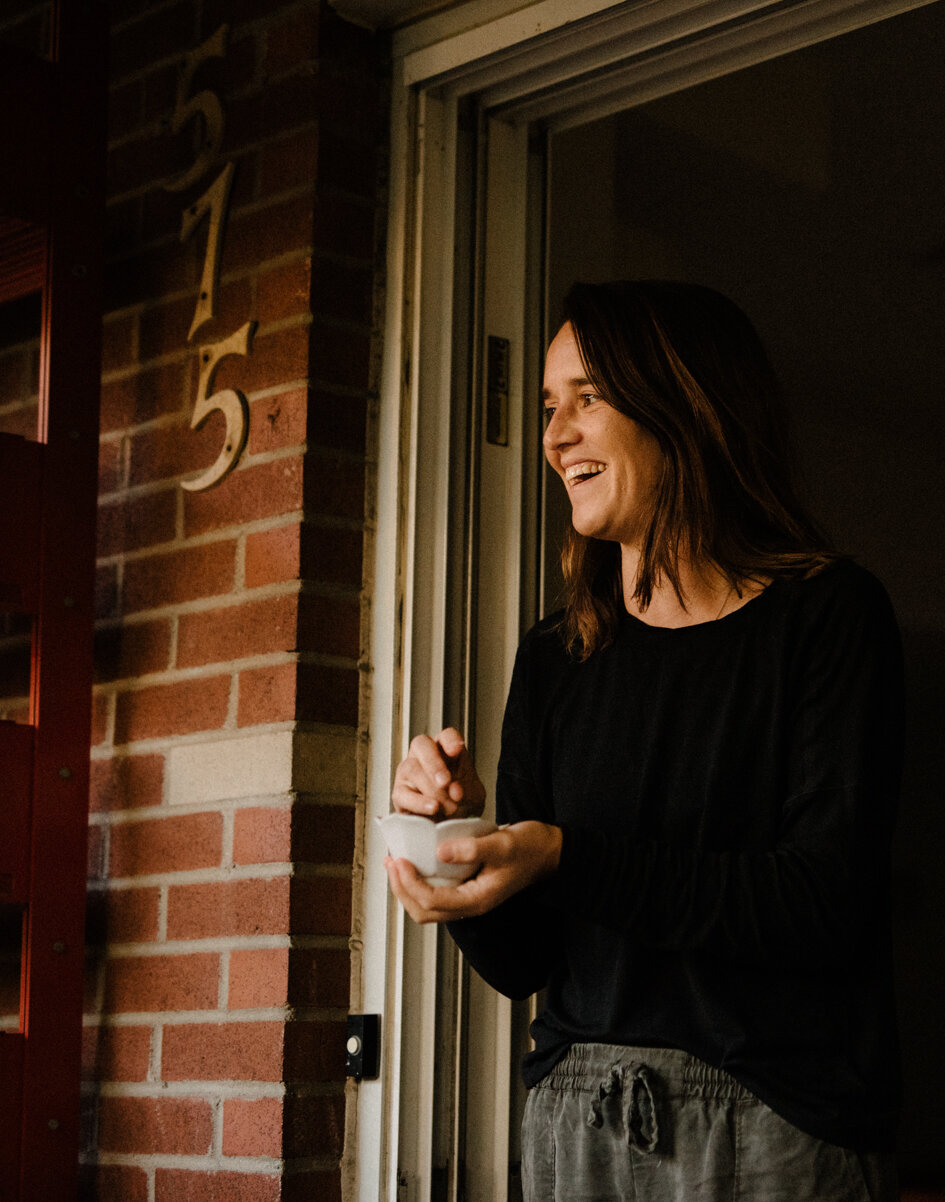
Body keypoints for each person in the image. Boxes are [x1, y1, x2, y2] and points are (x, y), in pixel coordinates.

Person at [383, 280, 904, 1202]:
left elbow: (821, 903)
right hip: (575, 1124)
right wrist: (463, 851)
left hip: (774, 1128)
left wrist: (562, 856)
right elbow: (529, 964)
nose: (554, 439)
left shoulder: (829, 618)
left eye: (589, 398)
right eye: (549, 408)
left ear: (686, 404)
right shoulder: (556, 657)